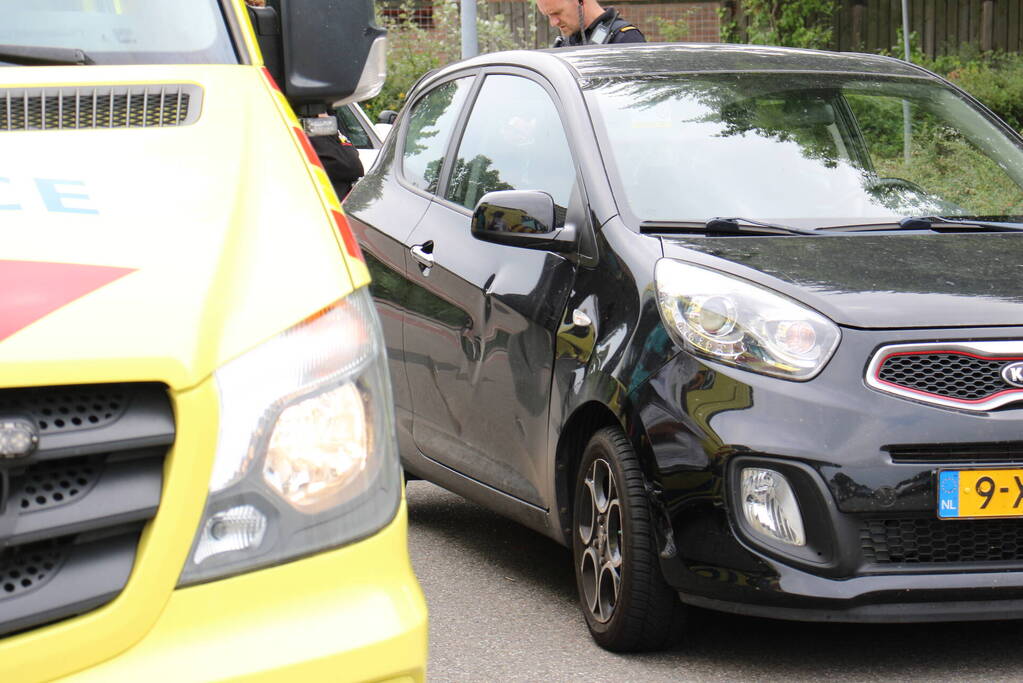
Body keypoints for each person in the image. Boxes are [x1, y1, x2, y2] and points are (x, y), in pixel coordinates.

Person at [535, 0, 645, 47]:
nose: (553, 23)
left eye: (557, 13)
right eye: (549, 16)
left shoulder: (625, 39)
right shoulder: (565, 43)